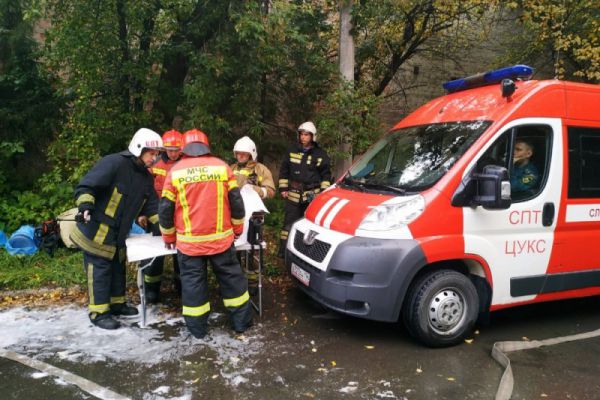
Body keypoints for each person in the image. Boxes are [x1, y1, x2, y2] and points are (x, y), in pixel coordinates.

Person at [158, 129, 253, 339]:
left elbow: (165, 209)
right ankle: (241, 324)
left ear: (184, 148)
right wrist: (237, 229)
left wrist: (169, 237)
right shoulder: (222, 167)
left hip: (190, 244)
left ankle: (198, 330)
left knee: (193, 285)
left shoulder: (175, 172)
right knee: (232, 281)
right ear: (206, 146)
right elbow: (237, 203)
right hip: (221, 240)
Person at [70, 128, 163, 330]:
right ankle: (99, 312)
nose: (155, 158)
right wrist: (85, 206)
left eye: (157, 154)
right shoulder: (114, 163)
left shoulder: (146, 178)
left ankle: (117, 304)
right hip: (96, 230)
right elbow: (86, 187)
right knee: (100, 269)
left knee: (116, 267)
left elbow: (152, 207)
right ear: (138, 149)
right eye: (152, 153)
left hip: (118, 234)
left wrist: (165, 228)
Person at [278, 121, 332, 258]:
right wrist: (283, 188)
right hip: (293, 194)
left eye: (306, 135)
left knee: (308, 225)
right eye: (301, 134)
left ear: (313, 136)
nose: (303, 137)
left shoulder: (320, 154)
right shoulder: (292, 151)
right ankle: (283, 251)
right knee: (288, 224)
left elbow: (326, 176)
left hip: (311, 196)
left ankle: (303, 254)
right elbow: (284, 170)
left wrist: (322, 194)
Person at [143, 129, 183, 303]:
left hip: (181, 215)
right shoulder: (155, 165)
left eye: (176, 149)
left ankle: (182, 287)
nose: (173, 153)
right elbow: (145, 190)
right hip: (157, 215)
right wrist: (143, 213)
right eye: (170, 149)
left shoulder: (187, 164)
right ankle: (152, 289)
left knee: (181, 254)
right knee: (155, 254)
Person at [230, 136, 276, 200]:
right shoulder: (232, 168)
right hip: (234, 206)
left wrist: (257, 190)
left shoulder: (261, 169)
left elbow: (271, 192)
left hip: (252, 206)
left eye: (244, 153)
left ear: (251, 155)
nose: (241, 156)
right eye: (238, 153)